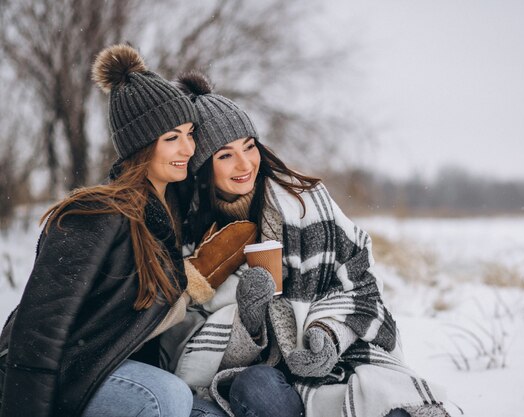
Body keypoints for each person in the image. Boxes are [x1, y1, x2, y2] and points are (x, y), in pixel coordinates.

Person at [162, 71, 451, 417]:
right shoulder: (192, 238)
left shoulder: (305, 203)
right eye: (225, 156)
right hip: (269, 380)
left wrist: (326, 332)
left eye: (249, 147)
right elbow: (187, 345)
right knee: (253, 387)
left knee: (385, 403)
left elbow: (363, 284)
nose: (244, 165)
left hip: (338, 363)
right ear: (203, 168)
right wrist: (249, 324)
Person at [0, 45, 217, 417]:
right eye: (172, 138)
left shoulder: (166, 214)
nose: (188, 146)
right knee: (165, 397)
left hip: (108, 368)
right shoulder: (96, 213)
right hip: (59, 375)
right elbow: (41, 323)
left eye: (189, 133)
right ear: (141, 145)